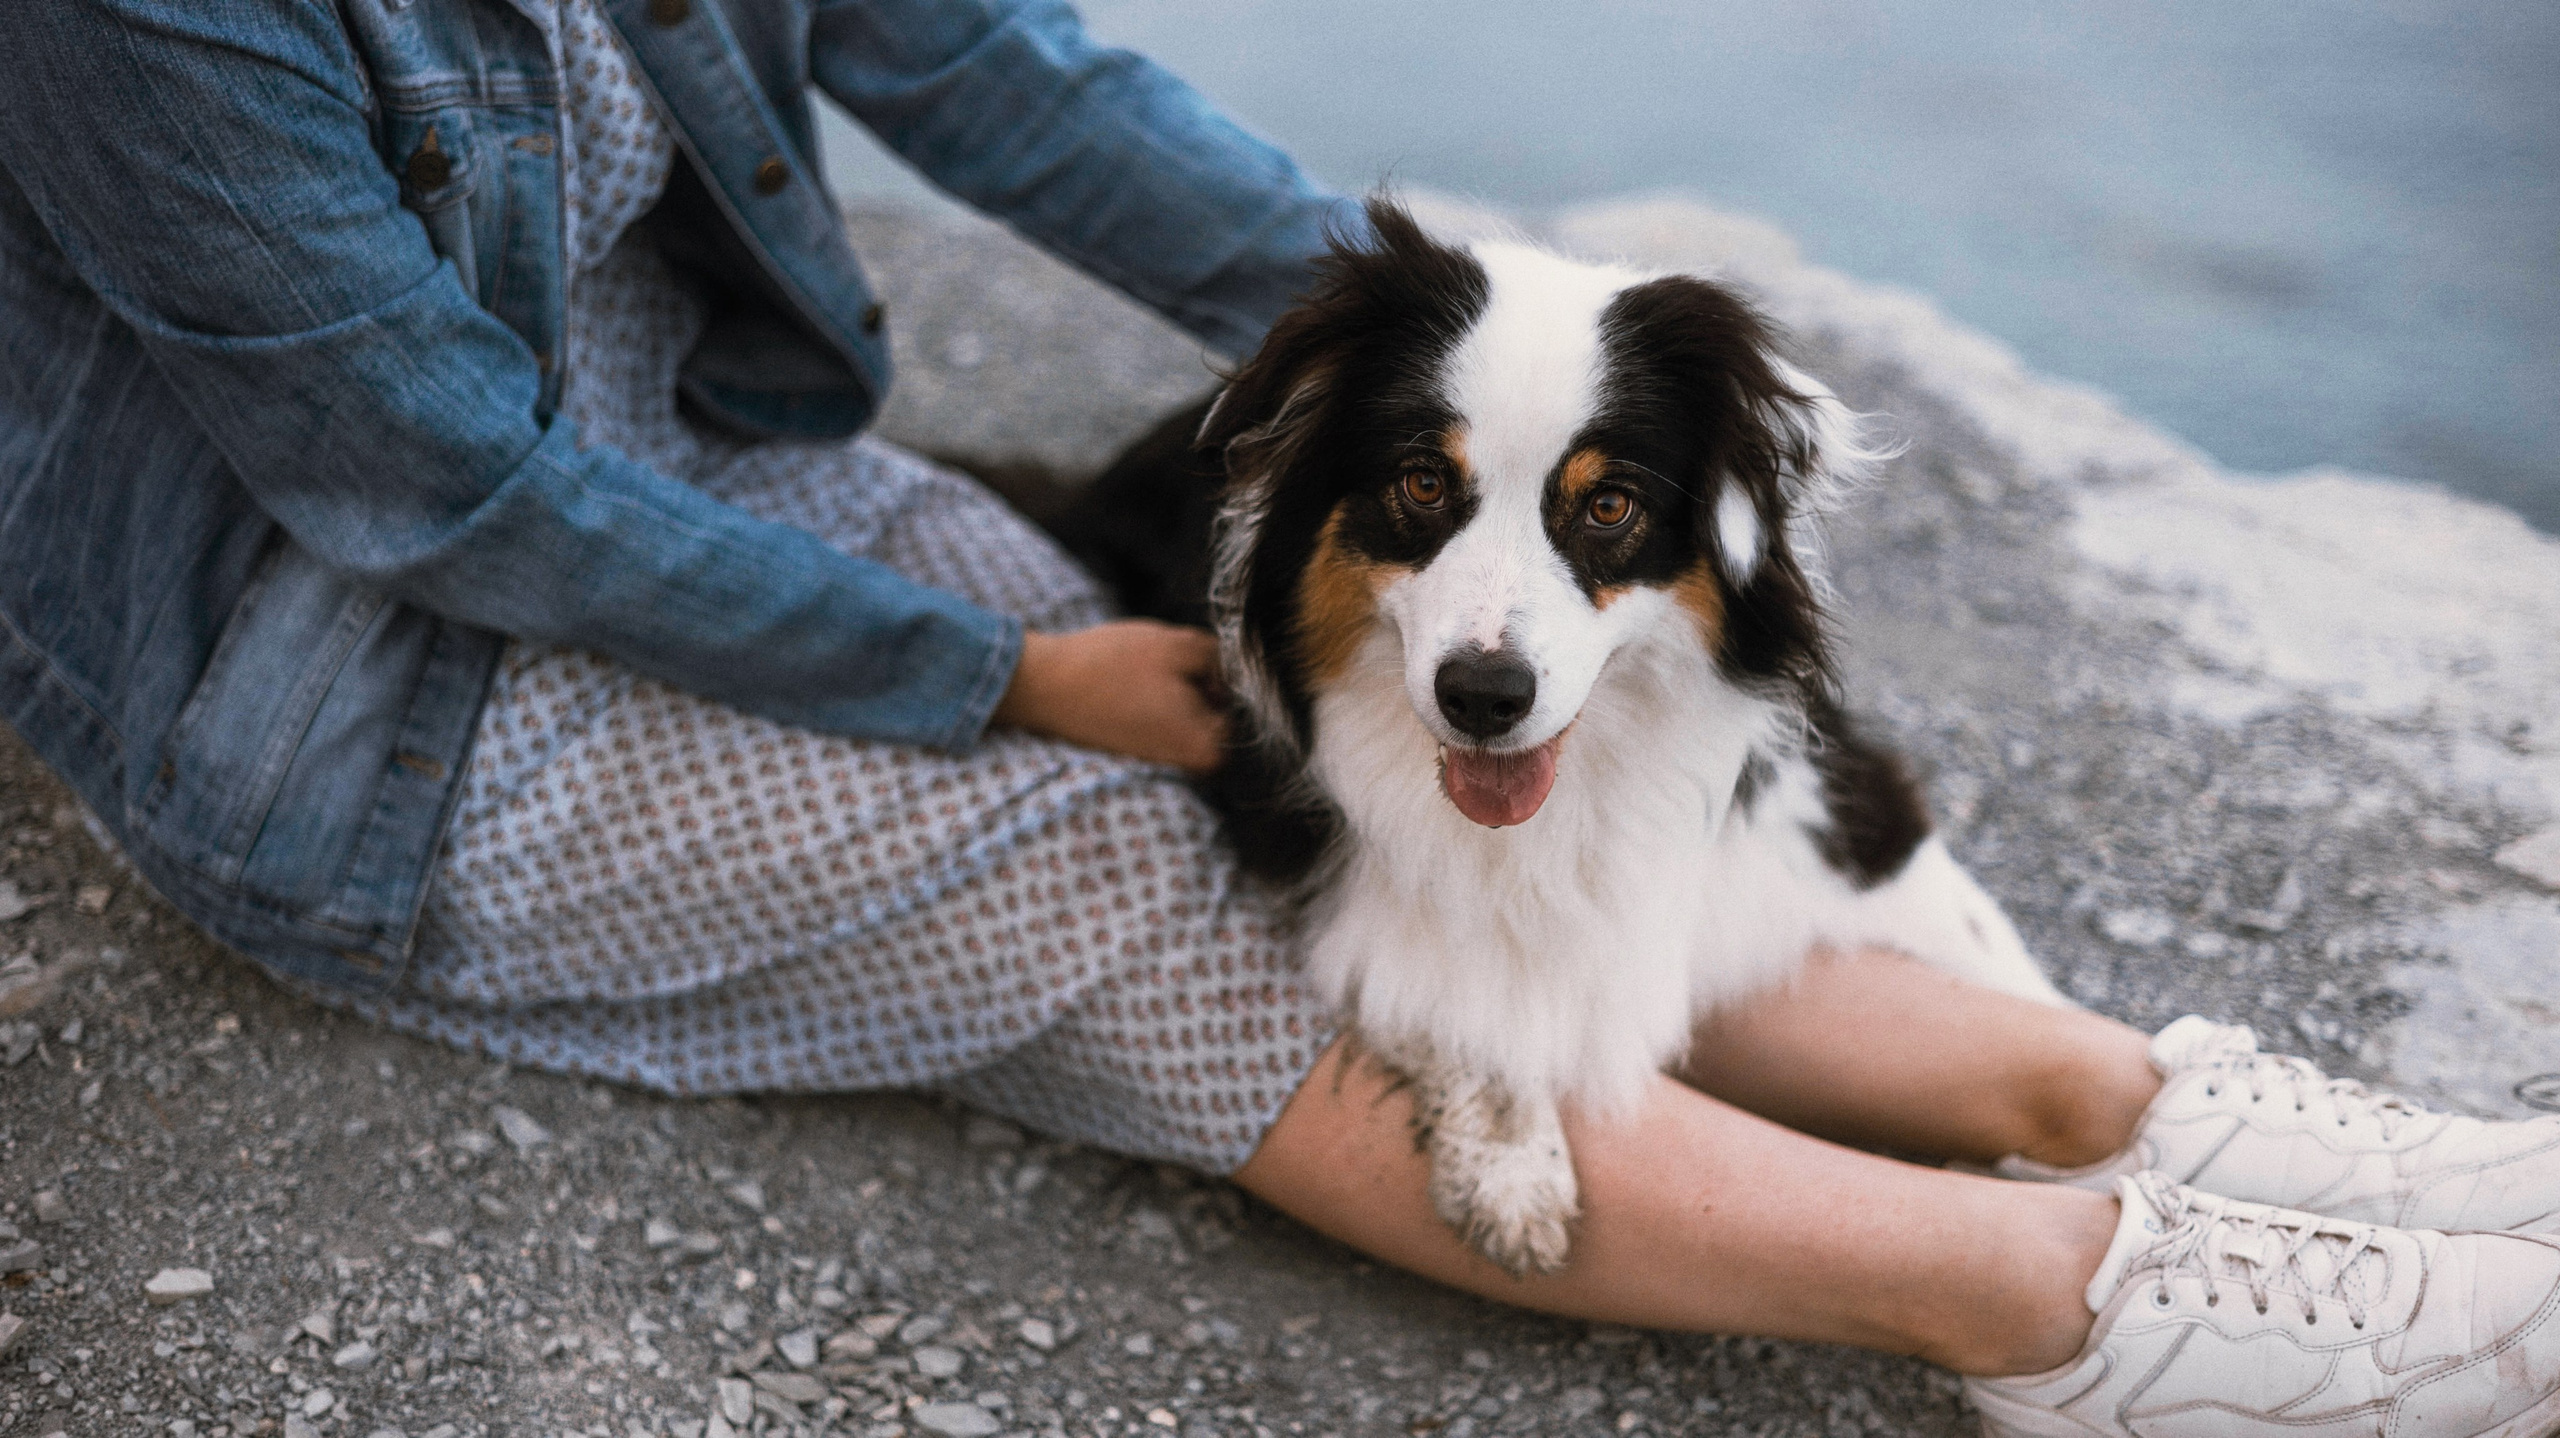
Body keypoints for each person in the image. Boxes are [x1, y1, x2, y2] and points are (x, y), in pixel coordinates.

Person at [6, 3, 2559, 1432]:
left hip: (724, 482)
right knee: (1191, 887)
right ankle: (2054, 1299)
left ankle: (2101, 1090)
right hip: (363, 688)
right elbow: (427, 485)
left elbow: (1003, 80)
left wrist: (1433, 328)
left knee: (1400, 812)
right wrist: (1001, 675)